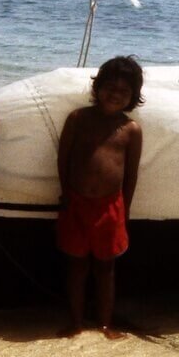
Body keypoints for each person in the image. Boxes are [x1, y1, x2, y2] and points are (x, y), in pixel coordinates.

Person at [56, 56, 144, 339]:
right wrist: (65, 192)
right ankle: (76, 322)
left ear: (133, 97)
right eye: (110, 87)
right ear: (98, 87)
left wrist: (125, 210)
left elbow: (130, 174)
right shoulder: (78, 119)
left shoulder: (131, 130)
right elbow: (63, 158)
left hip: (111, 206)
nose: (115, 94)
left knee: (106, 268)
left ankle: (105, 323)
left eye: (124, 91)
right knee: (77, 265)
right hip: (76, 203)